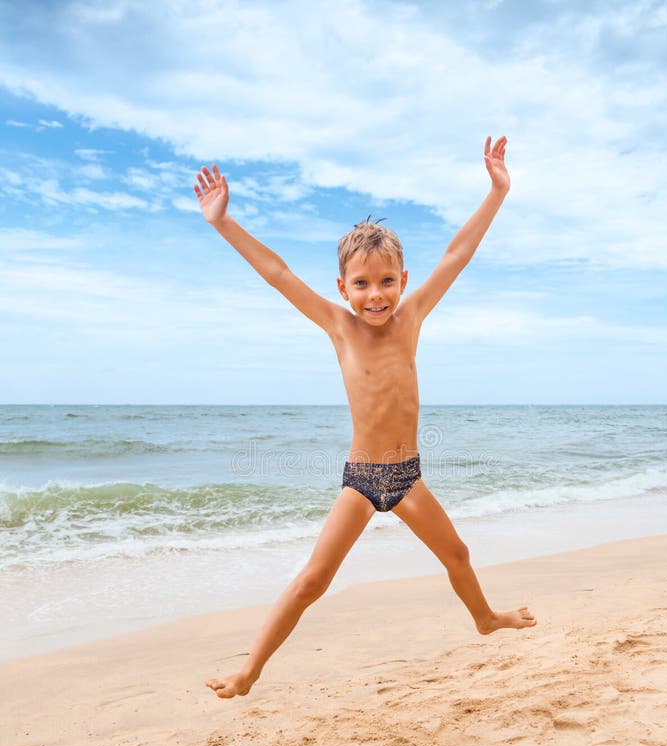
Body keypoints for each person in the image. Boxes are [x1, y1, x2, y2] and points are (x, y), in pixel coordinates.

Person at [195, 135, 537, 699]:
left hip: (407, 477)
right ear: (342, 288)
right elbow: (278, 273)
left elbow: (457, 253)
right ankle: (249, 670)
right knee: (312, 580)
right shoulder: (337, 324)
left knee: (458, 555)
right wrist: (222, 223)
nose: (375, 295)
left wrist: (497, 192)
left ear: (403, 280)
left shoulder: (413, 315)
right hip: (363, 480)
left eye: (386, 282)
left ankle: (484, 618)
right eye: (361, 284)